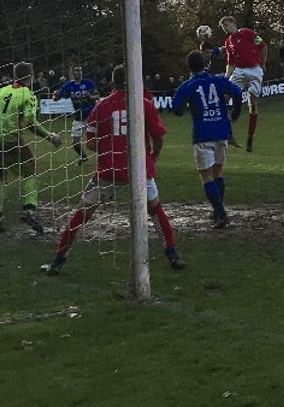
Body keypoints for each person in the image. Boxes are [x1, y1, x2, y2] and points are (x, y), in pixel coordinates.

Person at [43, 66, 185, 275]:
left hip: (109, 168)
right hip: (138, 167)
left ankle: (58, 259)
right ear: (133, 81)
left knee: (82, 214)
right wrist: (153, 156)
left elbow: (90, 143)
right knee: (156, 211)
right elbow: (158, 137)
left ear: (112, 83)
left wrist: (109, 145)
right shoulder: (144, 104)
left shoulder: (101, 107)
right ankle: (172, 254)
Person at [0, 62, 62, 233]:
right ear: (31, 75)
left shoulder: (3, 90)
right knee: (30, 172)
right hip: (11, 138)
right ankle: (29, 210)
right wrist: (50, 137)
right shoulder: (27, 93)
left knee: (0, 177)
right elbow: (29, 122)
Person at [172, 50, 244, 229]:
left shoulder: (187, 86)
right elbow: (237, 93)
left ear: (189, 68)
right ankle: (217, 211)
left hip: (203, 134)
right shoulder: (218, 80)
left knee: (206, 177)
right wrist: (235, 112)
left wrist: (186, 105)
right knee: (218, 172)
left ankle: (220, 213)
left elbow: (176, 109)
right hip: (221, 131)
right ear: (205, 65)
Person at [219, 15, 266, 152]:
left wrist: (263, 63)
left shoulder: (247, 33)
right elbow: (230, 63)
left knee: (253, 103)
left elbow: (263, 46)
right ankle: (228, 133)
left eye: (226, 25)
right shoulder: (228, 42)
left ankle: (250, 138)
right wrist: (226, 77)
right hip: (239, 71)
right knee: (225, 97)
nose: (225, 29)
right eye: (223, 27)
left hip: (255, 70)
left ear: (232, 23)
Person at [55, 65, 100, 165]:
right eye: (76, 70)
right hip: (78, 117)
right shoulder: (68, 86)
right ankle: (83, 157)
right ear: (72, 72)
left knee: (94, 142)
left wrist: (91, 96)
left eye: (80, 70)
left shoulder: (88, 83)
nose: (78, 72)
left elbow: (97, 96)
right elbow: (58, 97)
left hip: (91, 116)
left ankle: (103, 157)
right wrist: (56, 95)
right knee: (75, 143)